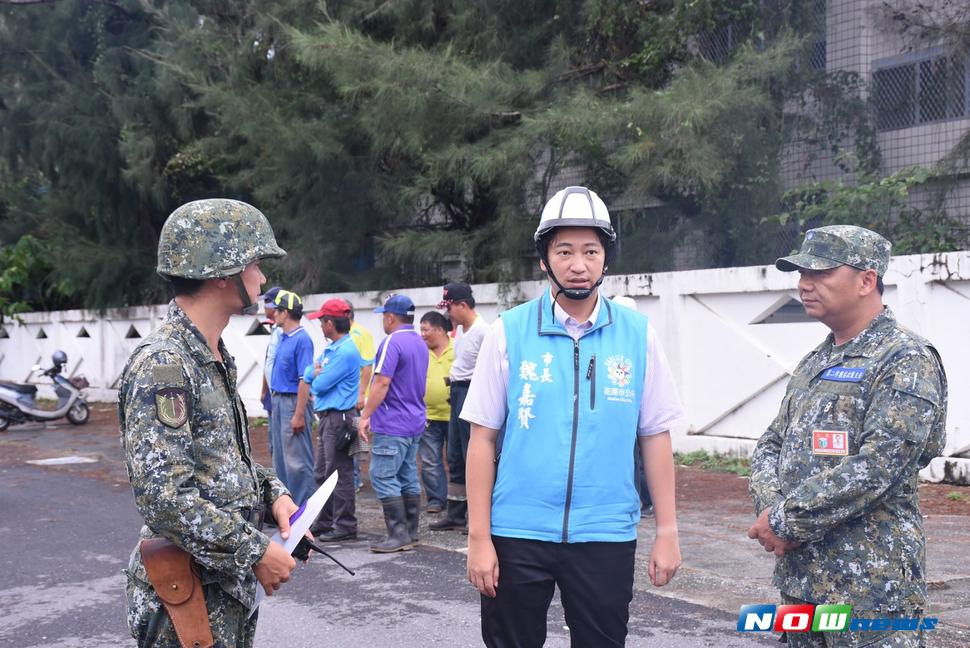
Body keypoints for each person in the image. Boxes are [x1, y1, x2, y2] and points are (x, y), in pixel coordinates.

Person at [462, 186, 685, 647]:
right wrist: (478, 537)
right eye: (564, 250)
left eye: (590, 250)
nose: (578, 264)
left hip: (604, 533)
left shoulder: (638, 336)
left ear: (606, 258)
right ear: (544, 258)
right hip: (517, 531)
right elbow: (482, 439)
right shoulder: (508, 332)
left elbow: (655, 435)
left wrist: (667, 531)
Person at [747, 225, 947, 648]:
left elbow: (878, 466)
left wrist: (785, 519)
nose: (804, 284)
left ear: (866, 280)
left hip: (870, 590)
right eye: (801, 273)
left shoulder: (905, 358)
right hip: (803, 581)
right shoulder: (816, 360)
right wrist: (771, 510)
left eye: (820, 273)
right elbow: (770, 445)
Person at [120, 198, 301, 647]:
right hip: (189, 593)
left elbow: (223, 463)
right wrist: (255, 550)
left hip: (221, 585)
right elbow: (164, 498)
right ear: (222, 273)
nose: (262, 277)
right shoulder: (166, 365)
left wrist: (274, 494)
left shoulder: (213, 356)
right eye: (255, 264)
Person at [358, 294, 429, 553]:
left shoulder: (392, 341)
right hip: (415, 420)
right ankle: (410, 532)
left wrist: (365, 415)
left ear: (390, 317)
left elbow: (382, 382)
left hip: (392, 421)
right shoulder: (420, 342)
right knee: (407, 474)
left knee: (383, 474)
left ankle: (397, 534)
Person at [301, 298, 363, 541]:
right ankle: (325, 521)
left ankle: (345, 524)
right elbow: (311, 374)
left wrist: (313, 374)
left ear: (330, 323)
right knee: (323, 473)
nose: (320, 326)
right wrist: (312, 373)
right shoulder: (334, 349)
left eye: (322, 321)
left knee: (339, 473)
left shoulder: (344, 351)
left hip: (339, 418)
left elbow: (319, 383)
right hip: (331, 418)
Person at [430, 281, 488, 532]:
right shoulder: (462, 330)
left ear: (462, 305)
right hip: (457, 390)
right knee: (454, 455)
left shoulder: (483, 331)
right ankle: (456, 512)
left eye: (450, 308)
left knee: (471, 455)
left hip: (472, 391)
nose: (448, 314)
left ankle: (477, 515)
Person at [268, 289, 317, 506]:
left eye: (277, 310)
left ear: (285, 312)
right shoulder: (284, 337)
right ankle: (287, 507)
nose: (273, 314)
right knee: (281, 460)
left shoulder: (302, 340)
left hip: (291, 402)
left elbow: (303, 380)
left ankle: (304, 509)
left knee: (297, 461)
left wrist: (298, 414)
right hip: (279, 402)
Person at [613, 294, 653, 517]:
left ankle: (648, 501)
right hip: (621, 415)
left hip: (635, 415)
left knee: (639, 460)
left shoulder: (641, 338)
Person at [419, 310, 455, 513]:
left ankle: (459, 500)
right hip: (428, 416)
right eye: (421, 329)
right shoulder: (421, 350)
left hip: (454, 415)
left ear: (440, 330)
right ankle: (435, 500)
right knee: (430, 460)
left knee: (455, 459)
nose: (422, 334)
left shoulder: (457, 348)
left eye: (426, 329)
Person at [348, 303, 376, 492]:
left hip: (355, 396)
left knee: (356, 438)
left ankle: (355, 479)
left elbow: (367, 365)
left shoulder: (360, 333)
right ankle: (351, 477)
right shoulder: (343, 334)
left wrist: (361, 393)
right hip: (346, 396)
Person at [259, 286, 283, 417]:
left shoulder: (282, 332)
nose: (264, 306)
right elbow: (268, 362)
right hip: (272, 389)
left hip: (279, 390)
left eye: (267, 302)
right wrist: (264, 389)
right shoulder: (276, 330)